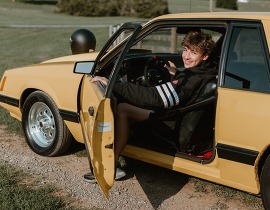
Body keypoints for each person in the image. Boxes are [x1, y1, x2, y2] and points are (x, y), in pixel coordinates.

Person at [85, 31, 217, 182]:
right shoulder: (206, 72)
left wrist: (113, 86)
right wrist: (176, 74)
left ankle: (111, 165)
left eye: (193, 52)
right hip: (178, 115)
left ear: (205, 56)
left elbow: (155, 98)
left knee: (122, 109)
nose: (186, 56)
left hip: (170, 123)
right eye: (185, 49)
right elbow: (182, 91)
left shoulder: (192, 80)